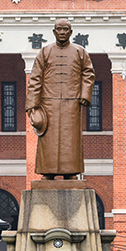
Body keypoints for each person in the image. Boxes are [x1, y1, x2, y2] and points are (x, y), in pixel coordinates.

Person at [25, 19, 94, 179]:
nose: (62, 32)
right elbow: (35, 78)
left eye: (65, 29)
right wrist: (32, 106)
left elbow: (88, 73)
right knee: (48, 141)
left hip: (72, 103)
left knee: (71, 140)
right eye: (59, 29)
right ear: (54, 32)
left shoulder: (79, 51)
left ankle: (70, 172)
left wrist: (84, 94)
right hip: (48, 104)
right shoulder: (45, 52)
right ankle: (48, 172)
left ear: (71, 32)